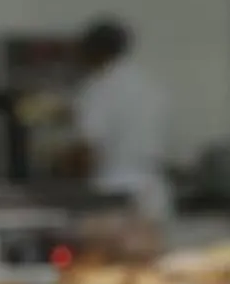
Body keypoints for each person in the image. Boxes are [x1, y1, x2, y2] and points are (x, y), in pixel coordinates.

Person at [69, 19, 172, 223]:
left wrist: (64, 171)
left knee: (115, 254)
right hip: (154, 192)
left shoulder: (99, 88)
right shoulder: (149, 84)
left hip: (114, 193)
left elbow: (88, 147)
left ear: (94, 50)